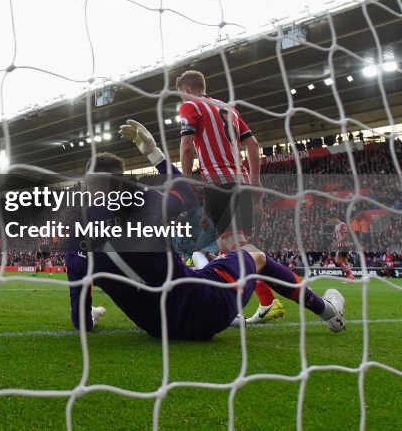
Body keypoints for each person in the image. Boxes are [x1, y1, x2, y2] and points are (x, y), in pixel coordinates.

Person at [65, 120, 345, 340]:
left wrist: (93, 315)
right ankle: (328, 311)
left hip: (160, 331)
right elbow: (186, 194)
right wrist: (155, 154)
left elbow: (81, 324)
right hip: (208, 309)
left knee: (201, 264)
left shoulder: (76, 240)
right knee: (252, 253)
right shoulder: (141, 202)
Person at [176, 69, 285, 324]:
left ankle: (273, 299)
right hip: (242, 181)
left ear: (186, 90)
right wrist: (255, 181)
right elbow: (253, 145)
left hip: (219, 181)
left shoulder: (191, 105)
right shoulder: (228, 109)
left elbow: (187, 146)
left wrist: (186, 179)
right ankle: (247, 302)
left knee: (237, 246)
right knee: (227, 246)